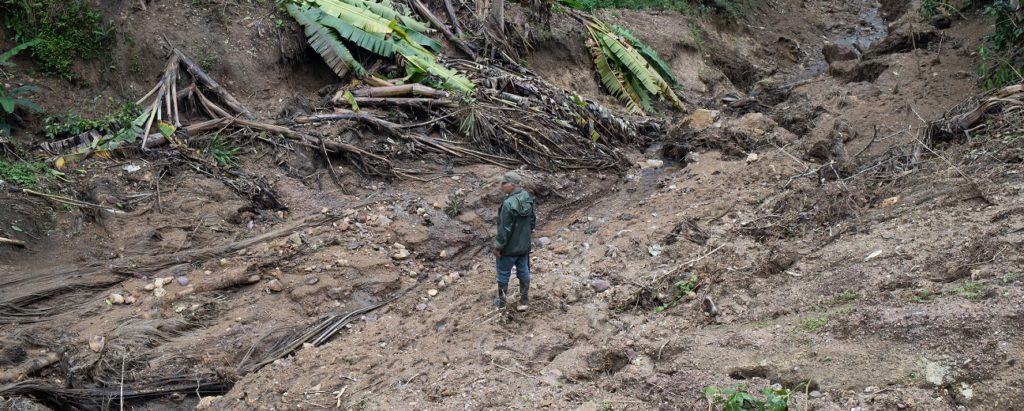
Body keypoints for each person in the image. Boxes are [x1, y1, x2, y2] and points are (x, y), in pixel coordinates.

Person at [493, 171, 536, 311]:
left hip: (509, 249)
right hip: (524, 246)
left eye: (504, 183)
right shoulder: (526, 197)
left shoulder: (508, 203)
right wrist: (526, 236)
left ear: (512, 185)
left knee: (503, 273)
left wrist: (498, 247)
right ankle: (524, 300)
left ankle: (502, 303)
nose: (501, 186)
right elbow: (532, 220)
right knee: (523, 271)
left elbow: (504, 229)